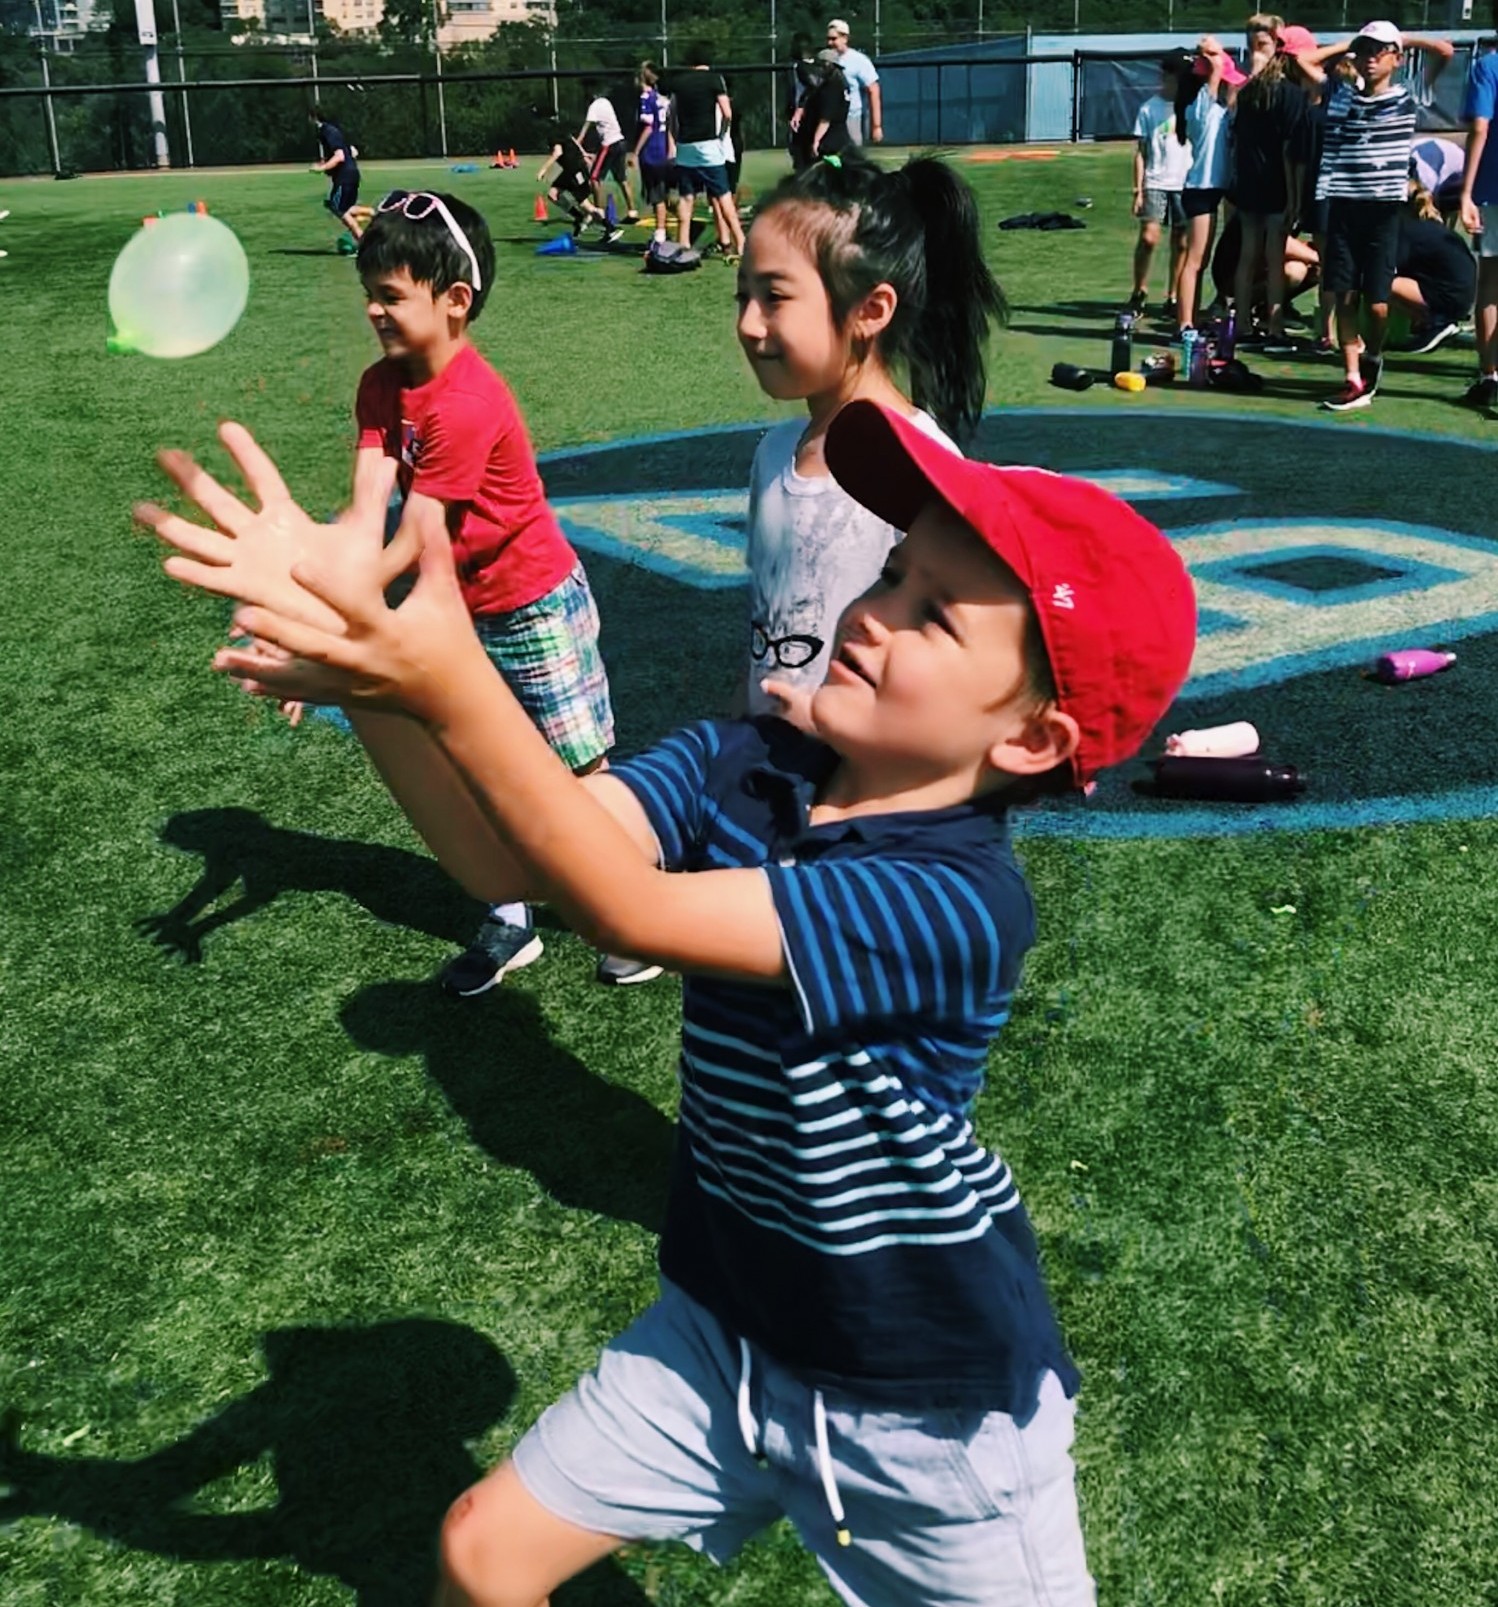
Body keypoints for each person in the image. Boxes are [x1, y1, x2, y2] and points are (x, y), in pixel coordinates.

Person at [143, 397, 1197, 1607]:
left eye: (931, 613)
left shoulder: (957, 901)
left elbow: (627, 911)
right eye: (893, 571)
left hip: (923, 1401)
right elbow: (515, 862)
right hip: (725, 1325)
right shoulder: (744, 760)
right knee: (483, 1554)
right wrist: (378, 674)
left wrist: (445, 678)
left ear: (1032, 737)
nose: (872, 611)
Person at [329, 190, 634, 993]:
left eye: (391, 295)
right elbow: (367, 508)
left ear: (455, 301)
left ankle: (627, 906)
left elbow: (416, 534)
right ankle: (510, 915)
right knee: (477, 762)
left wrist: (338, 614)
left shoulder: (465, 400)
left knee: (580, 765)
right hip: (457, 609)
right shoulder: (379, 387)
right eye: (371, 293)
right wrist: (308, 602)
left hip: (531, 601)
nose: (374, 311)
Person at [735, 150, 1006, 726]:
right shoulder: (774, 453)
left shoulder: (923, 467)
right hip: (767, 772)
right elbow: (770, 633)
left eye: (774, 297)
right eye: (743, 296)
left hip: (864, 786)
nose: (748, 324)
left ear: (872, 309)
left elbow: (961, 668)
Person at [1302, 21, 1453, 410]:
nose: (1369, 59)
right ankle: (1353, 377)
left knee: (1377, 301)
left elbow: (1444, 51)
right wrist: (1350, 45)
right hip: (1343, 206)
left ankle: (1372, 357)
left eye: (1378, 52)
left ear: (1397, 59)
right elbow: (1303, 60)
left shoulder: (1408, 97)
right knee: (1344, 292)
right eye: (1364, 51)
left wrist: (1401, 40)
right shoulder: (1341, 96)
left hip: (1384, 212)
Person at [1229, 16, 1307, 351]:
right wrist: (1294, 198)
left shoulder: (1283, 93)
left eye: (1260, 46)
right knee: (1256, 257)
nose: (1253, 54)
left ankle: (1266, 324)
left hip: (1268, 184)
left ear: (1277, 47)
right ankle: (1255, 326)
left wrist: (1292, 196)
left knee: (1266, 258)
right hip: (1256, 185)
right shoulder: (1249, 91)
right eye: (1250, 47)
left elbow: (1290, 150)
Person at [1178, 38, 1245, 336]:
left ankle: (1193, 319)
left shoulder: (1219, 108)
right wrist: (1210, 54)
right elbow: (1214, 72)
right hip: (1201, 188)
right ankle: (1184, 324)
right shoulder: (1200, 104)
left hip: (1217, 188)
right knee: (1196, 260)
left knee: (1204, 259)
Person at [1126, 51, 1194, 319]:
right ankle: (1139, 291)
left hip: (1184, 183)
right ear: (1166, 76)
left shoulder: (1191, 106)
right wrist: (1138, 190)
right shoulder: (1149, 108)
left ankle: (1173, 295)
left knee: (1181, 242)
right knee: (1149, 238)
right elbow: (1141, 152)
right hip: (1155, 181)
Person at [668, 46, 746, 261]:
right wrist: (721, 135)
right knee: (723, 196)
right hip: (708, 145)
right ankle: (740, 242)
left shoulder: (679, 82)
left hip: (685, 146)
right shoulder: (714, 79)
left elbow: (671, 115)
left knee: (686, 197)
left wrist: (675, 140)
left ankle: (683, 244)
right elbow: (727, 113)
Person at [1459, 19, 1498, 408]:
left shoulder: (1488, 65)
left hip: (1493, 188)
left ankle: (1490, 375)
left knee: (1490, 283)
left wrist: (1466, 191)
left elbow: (1480, 127)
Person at [1391, 182, 1476, 351]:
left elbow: (1390, 266)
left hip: (1448, 298)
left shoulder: (1408, 230)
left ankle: (1435, 321)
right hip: (1460, 297)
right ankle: (1431, 320)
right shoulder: (1430, 225)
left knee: (1376, 282)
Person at [536, 117, 620, 243]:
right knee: (554, 195)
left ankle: (610, 228)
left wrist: (543, 170)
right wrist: (584, 154)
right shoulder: (562, 131)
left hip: (575, 170)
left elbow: (557, 153)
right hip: (572, 169)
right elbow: (574, 141)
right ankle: (581, 218)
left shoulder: (553, 134)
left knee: (586, 205)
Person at [579, 82, 639, 225]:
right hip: (620, 142)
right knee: (622, 179)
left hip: (609, 145)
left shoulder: (593, 107)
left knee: (594, 179)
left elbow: (585, 128)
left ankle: (599, 212)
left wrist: (577, 142)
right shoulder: (606, 102)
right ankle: (633, 212)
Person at [631, 62, 676, 247]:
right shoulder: (662, 99)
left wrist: (635, 151)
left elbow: (648, 127)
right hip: (664, 150)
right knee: (664, 194)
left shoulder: (646, 98)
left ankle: (660, 236)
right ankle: (680, 224)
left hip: (652, 152)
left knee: (656, 195)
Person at [310, 106, 364, 242]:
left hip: (344, 177)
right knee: (341, 207)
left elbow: (340, 156)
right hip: (351, 174)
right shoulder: (335, 130)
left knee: (338, 208)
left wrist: (322, 168)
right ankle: (371, 214)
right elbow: (353, 152)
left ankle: (364, 243)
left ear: (313, 117)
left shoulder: (327, 131)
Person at [825, 17, 881, 145]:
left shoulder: (858, 60)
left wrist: (876, 125)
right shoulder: (823, 59)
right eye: (828, 39)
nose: (830, 43)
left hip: (851, 117)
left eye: (834, 39)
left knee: (852, 158)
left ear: (845, 38)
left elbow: (873, 89)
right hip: (827, 118)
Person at [799, 50, 853, 164]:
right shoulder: (842, 82)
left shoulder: (831, 87)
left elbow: (825, 119)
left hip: (830, 142)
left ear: (827, 64)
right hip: (841, 137)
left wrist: (816, 141)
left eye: (820, 65)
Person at [785, 32, 818, 170]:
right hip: (814, 115)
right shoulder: (820, 66)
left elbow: (811, 86)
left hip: (804, 116)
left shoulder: (799, 67)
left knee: (801, 155)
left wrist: (797, 109)